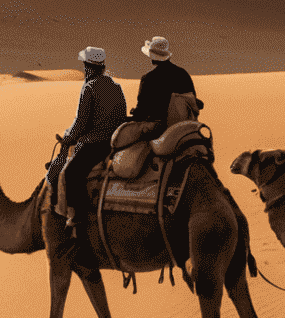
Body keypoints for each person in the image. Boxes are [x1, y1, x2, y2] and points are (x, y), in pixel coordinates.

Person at [51, 46, 127, 259]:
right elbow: (120, 114)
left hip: (96, 144)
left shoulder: (90, 88)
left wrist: (68, 137)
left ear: (87, 67)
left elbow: (81, 123)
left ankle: (76, 219)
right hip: (114, 143)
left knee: (70, 174)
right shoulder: (116, 86)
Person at [131, 36, 201, 129]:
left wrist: (135, 113)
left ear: (152, 56)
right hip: (185, 124)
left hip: (158, 126)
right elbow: (193, 100)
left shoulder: (148, 78)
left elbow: (142, 110)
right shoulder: (183, 74)